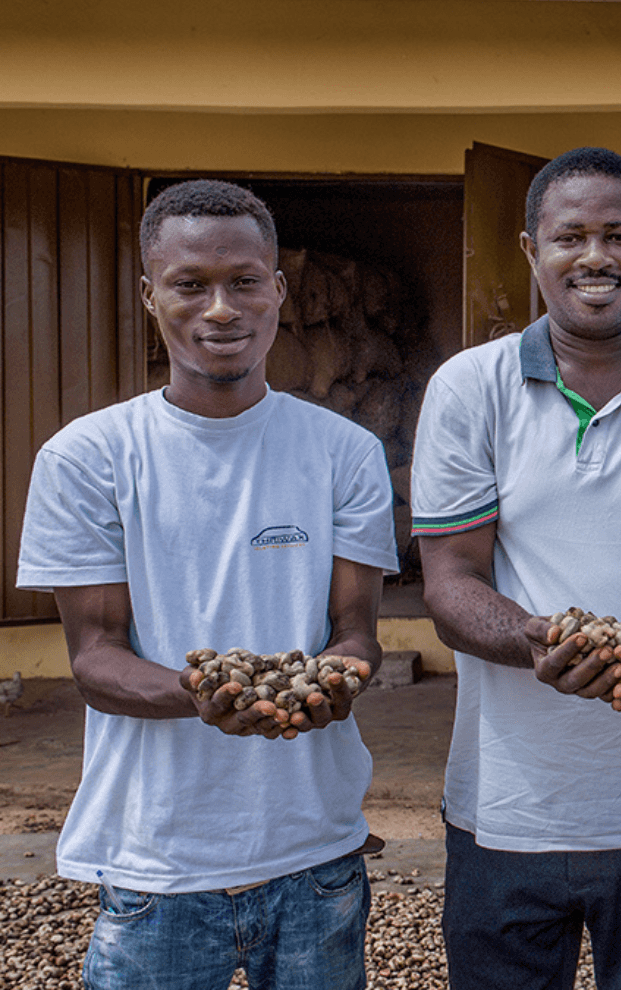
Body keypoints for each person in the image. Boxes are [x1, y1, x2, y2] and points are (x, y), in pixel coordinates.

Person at [15, 178, 398, 990]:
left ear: (278, 292)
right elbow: (94, 656)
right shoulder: (89, 458)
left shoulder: (344, 452)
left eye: (244, 282)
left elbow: (356, 631)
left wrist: (337, 679)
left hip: (315, 853)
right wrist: (200, 694)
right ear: (152, 296)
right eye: (191, 285)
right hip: (157, 859)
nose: (220, 308)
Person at [413, 146, 621, 990]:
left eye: (619, 235)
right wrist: (535, 641)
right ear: (531, 250)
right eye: (571, 236)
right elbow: (450, 579)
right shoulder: (469, 388)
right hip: (506, 809)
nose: (596, 257)